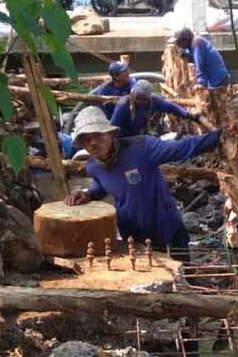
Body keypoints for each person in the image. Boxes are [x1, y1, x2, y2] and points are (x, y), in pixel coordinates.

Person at [64, 106, 221, 260]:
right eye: (86, 139)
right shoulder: (93, 167)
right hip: (133, 235)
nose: (93, 143)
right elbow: (104, 186)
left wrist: (220, 136)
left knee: (184, 274)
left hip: (166, 226)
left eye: (98, 135)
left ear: (110, 133)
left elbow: (184, 147)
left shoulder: (143, 148)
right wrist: (89, 194)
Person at [110, 79, 209, 137]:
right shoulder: (123, 104)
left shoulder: (153, 101)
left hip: (140, 137)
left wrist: (189, 115)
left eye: (143, 99)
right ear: (132, 94)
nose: (140, 102)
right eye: (138, 98)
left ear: (148, 97)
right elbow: (113, 127)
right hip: (124, 139)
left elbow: (171, 107)